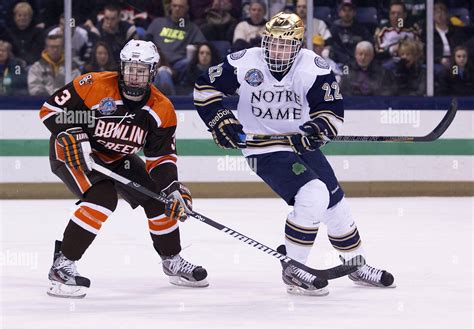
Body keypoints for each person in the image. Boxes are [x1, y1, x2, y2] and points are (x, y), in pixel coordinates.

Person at [193, 12, 395, 296]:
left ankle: (355, 264)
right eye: (272, 43)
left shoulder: (313, 67)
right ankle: (294, 268)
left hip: (299, 143)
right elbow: (204, 88)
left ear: (298, 45)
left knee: (335, 202)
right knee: (313, 194)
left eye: (284, 45)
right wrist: (221, 120)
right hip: (261, 147)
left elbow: (331, 113)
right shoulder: (244, 62)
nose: (276, 50)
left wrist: (317, 129)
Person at [40, 40, 208, 299]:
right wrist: (71, 132)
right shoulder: (93, 84)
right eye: (131, 68)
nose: (135, 75)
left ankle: (172, 260)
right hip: (74, 155)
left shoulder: (161, 109)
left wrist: (172, 188)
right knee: (103, 198)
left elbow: (160, 157)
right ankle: (62, 266)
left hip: (118, 158)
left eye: (142, 70)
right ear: (121, 67)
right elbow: (50, 111)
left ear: (153, 72)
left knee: (159, 199)